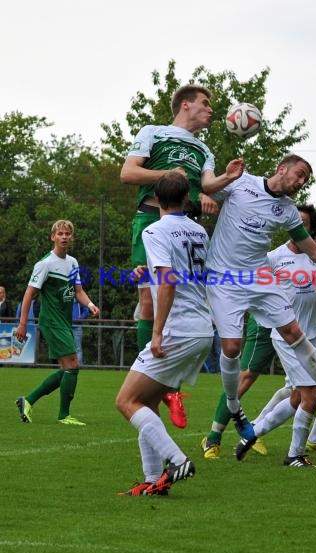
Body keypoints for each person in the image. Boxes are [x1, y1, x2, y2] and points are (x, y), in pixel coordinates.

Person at [201, 154, 316, 450]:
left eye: (306, 179)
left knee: (296, 333)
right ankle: (232, 407)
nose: (301, 181)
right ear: (281, 168)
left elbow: (315, 252)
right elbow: (204, 189)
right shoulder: (241, 182)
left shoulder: (288, 210)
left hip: (258, 278)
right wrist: (222, 180)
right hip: (223, 278)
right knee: (231, 349)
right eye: (299, 174)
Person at [120, 84, 240, 429]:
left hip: (183, 223)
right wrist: (170, 177)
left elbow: (204, 185)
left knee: (182, 295)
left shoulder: (204, 149)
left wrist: (224, 180)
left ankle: (168, 386)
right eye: (205, 103)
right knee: (148, 298)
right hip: (150, 217)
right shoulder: (154, 133)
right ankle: (158, 381)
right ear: (185, 105)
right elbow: (128, 173)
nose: (211, 110)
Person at [201, 206, 316, 459]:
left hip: (300, 333)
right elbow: (250, 283)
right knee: (246, 377)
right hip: (267, 327)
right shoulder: (275, 257)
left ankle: (267, 429)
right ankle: (213, 438)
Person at [116, 171, 214, 496]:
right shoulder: (199, 230)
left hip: (178, 328)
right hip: (202, 327)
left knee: (127, 400)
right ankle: (152, 479)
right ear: (186, 198)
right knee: (147, 401)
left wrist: (156, 334)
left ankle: (177, 460)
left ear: (156, 199)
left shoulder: (154, 230)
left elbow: (169, 280)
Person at [15, 220, 100, 426]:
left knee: (66, 368)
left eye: (67, 234)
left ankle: (28, 400)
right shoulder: (45, 263)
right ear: (53, 237)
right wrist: (23, 323)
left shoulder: (72, 262)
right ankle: (64, 415)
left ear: (72, 238)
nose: (64, 237)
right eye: (60, 233)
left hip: (64, 321)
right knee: (73, 364)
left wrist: (90, 304)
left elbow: (78, 290)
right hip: (51, 321)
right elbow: (29, 293)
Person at [72, 299, 90, 366]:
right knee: (66, 348)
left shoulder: (80, 299)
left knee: (78, 348)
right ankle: (67, 366)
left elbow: (86, 311)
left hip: (77, 326)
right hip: (66, 326)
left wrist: (79, 318)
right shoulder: (65, 297)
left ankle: (79, 366)